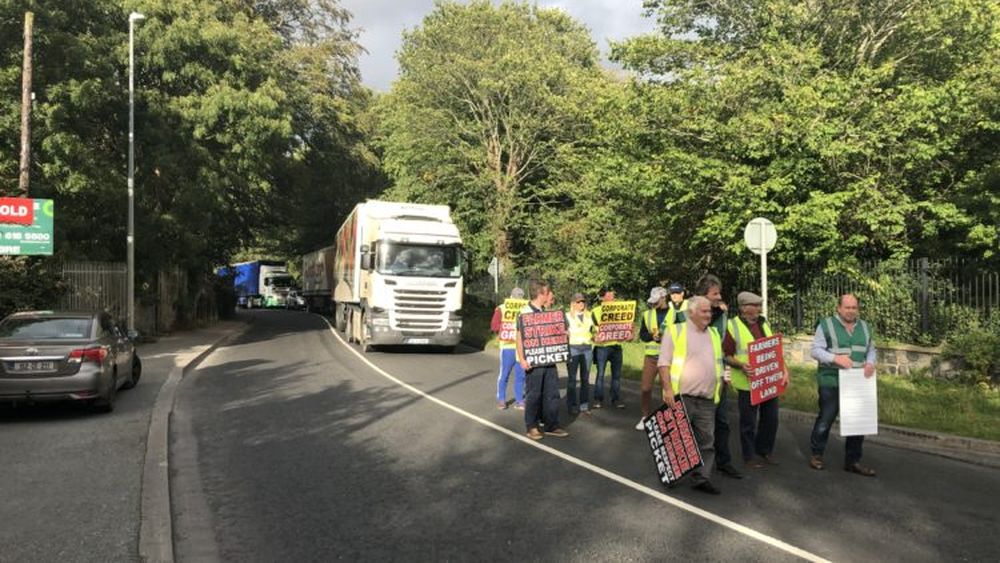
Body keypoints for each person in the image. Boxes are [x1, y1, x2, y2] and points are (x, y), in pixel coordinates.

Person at [677, 274, 743, 479]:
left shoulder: (720, 314)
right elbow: (695, 328)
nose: (719, 296)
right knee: (688, 424)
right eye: (715, 293)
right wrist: (714, 311)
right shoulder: (687, 310)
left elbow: (721, 345)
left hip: (716, 379)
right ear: (703, 295)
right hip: (691, 379)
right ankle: (682, 465)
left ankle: (723, 462)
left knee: (721, 422)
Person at [657, 296, 725, 495]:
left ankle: (701, 478)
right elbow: (663, 363)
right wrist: (668, 389)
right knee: (678, 438)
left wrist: (719, 385)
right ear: (691, 312)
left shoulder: (713, 333)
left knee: (706, 441)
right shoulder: (676, 331)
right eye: (704, 311)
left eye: (709, 311)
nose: (708, 315)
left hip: (707, 398)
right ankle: (672, 474)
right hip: (682, 395)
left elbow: (718, 362)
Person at [808, 294, 877, 476]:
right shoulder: (826, 325)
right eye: (847, 307)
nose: (851, 311)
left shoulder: (864, 326)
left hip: (857, 381)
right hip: (831, 379)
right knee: (826, 418)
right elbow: (815, 351)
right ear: (839, 308)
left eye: (854, 307)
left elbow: (870, 349)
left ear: (858, 309)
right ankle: (817, 454)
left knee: (857, 423)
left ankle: (853, 461)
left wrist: (870, 363)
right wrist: (835, 358)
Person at [723, 291, 789, 467]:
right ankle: (749, 456)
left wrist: (784, 370)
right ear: (744, 308)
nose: (759, 308)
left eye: (760, 305)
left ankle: (765, 450)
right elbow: (726, 355)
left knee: (771, 419)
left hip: (768, 380)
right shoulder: (732, 325)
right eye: (756, 305)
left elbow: (774, 350)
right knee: (748, 422)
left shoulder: (763, 322)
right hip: (747, 383)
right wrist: (741, 365)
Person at [517, 280, 569, 440]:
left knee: (552, 394)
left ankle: (551, 425)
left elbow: (555, 334)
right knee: (534, 394)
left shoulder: (548, 313)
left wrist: (564, 335)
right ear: (542, 294)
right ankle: (531, 426)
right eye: (549, 292)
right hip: (533, 362)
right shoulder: (524, 312)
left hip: (549, 359)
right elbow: (519, 338)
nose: (551, 295)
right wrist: (522, 359)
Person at [636, 286, 670, 430]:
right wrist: (652, 336)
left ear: (664, 297)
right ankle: (645, 417)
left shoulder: (675, 314)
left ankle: (668, 419)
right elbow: (642, 335)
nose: (653, 304)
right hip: (651, 356)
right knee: (645, 388)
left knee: (667, 390)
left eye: (656, 301)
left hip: (669, 358)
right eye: (652, 301)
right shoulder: (647, 314)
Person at [490, 287, 526, 410]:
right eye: (518, 297)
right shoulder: (502, 308)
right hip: (508, 346)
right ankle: (501, 400)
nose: (519, 299)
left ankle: (519, 400)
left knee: (520, 375)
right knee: (505, 374)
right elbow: (494, 325)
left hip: (520, 347)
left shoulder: (525, 309)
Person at [591, 288, 626, 409]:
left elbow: (624, 325)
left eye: (613, 296)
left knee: (616, 375)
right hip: (602, 347)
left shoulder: (619, 310)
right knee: (600, 374)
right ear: (602, 298)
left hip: (616, 345)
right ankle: (597, 399)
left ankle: (615, 399)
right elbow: (592, 330)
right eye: (610, 296)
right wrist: (595, 337)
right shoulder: (595, 311)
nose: (613, 298)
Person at [565, 292, 594, 416]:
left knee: (585, 379)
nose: (581, 304)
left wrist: (596, 336)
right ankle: (571, 405)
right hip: (573, 349)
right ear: (573, 304)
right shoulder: (567, 316)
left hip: (587, 349)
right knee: (572, 379)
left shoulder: (590, 315)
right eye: (578, 302)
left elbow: (595, 330)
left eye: (582, 301)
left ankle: (584, 405)